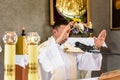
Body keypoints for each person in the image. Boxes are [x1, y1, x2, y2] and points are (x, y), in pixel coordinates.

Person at [38, 18, 106, 80]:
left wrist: (97, 47)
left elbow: (85, 61)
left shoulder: (69, 48)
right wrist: (59, 39)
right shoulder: (44, 48)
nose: (66, 36)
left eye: (68, 32)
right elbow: (42, 67)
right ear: (54, 32)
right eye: (64, 32)